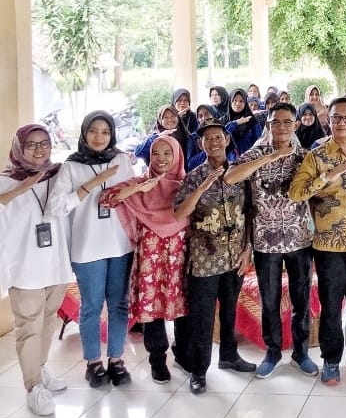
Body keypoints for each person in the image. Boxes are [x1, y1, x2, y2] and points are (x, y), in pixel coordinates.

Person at [224, 103, 318, 379]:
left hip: (300, 239)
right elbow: (230, 178)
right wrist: (271, 156)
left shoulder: (305, 156)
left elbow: (316, 192)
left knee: (301, 299)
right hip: (265, 241)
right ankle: (273, 352)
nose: (282, 127)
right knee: (269, 299)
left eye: (287, 122)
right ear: (268, 125)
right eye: (276, 122)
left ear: (295, 125)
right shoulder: (255, 153)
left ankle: (301, 353)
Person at [289, 97, 346, 386]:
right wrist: (327, 177)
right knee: (331, 306)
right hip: (329, 245)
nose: (342, 122)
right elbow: (296, 192)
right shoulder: (316, 156)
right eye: (336, 117)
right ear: (328, 120)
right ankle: (330, 360)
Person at [49, 111, 135, 388]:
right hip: (87, 248)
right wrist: (90, 186)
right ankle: (93, 363)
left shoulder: (121, 160)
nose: (99, 137)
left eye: (105, 132)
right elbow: (56, 207)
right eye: (93, 131)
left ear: (112, 134)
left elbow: (133, 196)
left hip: (120, 245)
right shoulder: (71, 167)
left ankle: (116, 360)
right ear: (84, 133)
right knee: (92, 306)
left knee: (119, 304)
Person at [174, 118, 256, 395]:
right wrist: (202, 187)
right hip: (204, 259)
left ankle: (229, 356)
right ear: (201, 144)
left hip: (235, 256)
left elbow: (249, 213)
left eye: (218, 137)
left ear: (227, 140)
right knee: (203, 317)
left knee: (230, 309)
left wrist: (248, 249)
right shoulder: (193, 176)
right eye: (207, 139)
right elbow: (179, 213)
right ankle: (198, 370)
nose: (214, 142)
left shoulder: (240, 173)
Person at [99, 135, 190, 385]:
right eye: (155, 153)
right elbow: (106, 199)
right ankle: (157, 361)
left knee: (184, 309)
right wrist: (140, 189)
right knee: (152, 310)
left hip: (180, 260)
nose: (161, 159)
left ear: (177, 156)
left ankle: (183, 354)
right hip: (151, 262)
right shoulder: (140, 183)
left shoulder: (187, 185)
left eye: (167, 153)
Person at [0, 124, 74, 415]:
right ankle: (33, 387)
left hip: (55, 263)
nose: (40, 149)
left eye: (44, 143)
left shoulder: (57, 175)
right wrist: (21, 188)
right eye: (31, 144)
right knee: (29, 328)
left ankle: (40, 370)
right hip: (24, 268)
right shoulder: (6, 181)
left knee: (47, 321)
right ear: (19, 148)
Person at [226, 88, 263, 155]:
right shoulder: (224, 120)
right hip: (228, 160)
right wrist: (235, 123)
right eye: (235, 100)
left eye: (241, 101)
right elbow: (222, 136)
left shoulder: (252, 120)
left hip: (249, 158)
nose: (238, 104)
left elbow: (259, 142)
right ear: (230, 101)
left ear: (245, 103)